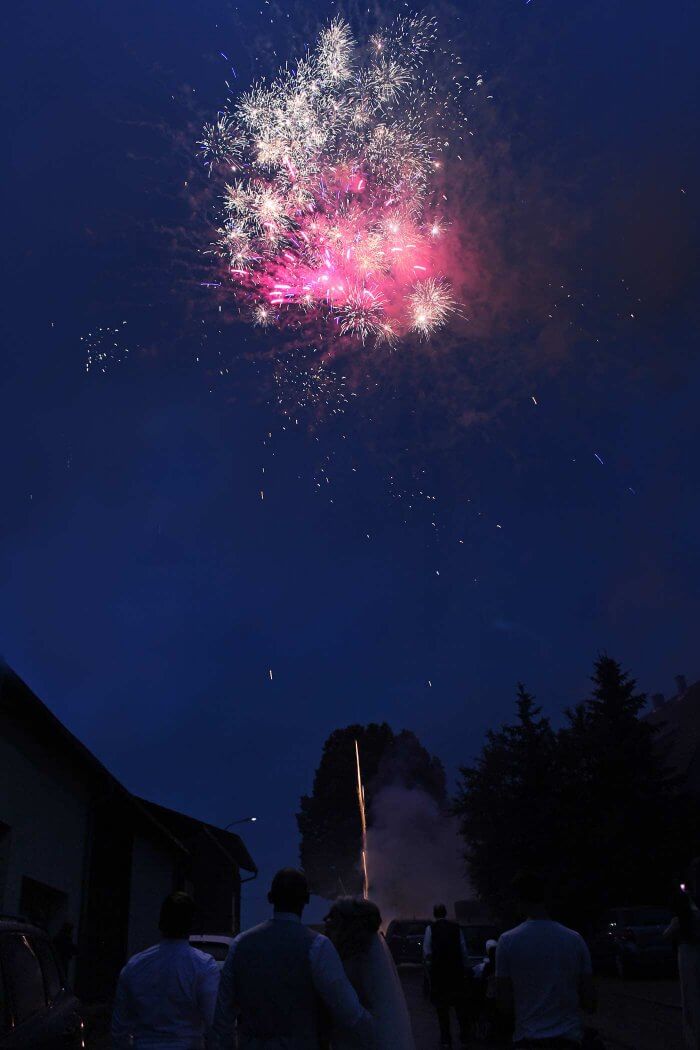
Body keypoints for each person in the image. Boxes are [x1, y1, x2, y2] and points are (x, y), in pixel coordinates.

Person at [212, 868, 375, 1049]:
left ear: (270, 898)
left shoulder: (240, 944)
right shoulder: (318, 946)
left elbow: (223, 1015)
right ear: (306, 900)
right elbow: (348, 1012)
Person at [495, 872, 596, 1048]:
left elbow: (504, 1004)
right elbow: (590, 1002)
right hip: (569, 1040)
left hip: (528, 1039)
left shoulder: (507, 941)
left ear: (519, 900)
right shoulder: (575, 939)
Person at [111, 891, 220, 1050]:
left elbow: (119, 1028)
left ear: (161, 922)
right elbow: (213, 1023)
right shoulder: (204, 966)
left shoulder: (135, 966)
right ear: (192, 924)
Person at [324, 896, 415, 1050]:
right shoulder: (369, 955)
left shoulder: (355, 961)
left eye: (333, 922)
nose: (327, 926)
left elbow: (352, 1011)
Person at [423, 904, 471, 1048]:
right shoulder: (456, 928)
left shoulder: (430, 929)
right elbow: (463, 950)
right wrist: (466, 968)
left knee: (442, 1010)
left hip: (440, 975)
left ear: (434, 914)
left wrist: (429, 972)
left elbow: (427, 952)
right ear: (445, 913)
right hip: (456, 973)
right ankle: (464, 1035)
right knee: (460, 1007)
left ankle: (446, 1039)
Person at [664, 885, 700, 1048]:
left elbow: (666, 935)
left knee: (689, 995)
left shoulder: (679, 920)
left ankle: (693, 1037)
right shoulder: (696, 915)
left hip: (686, 956)